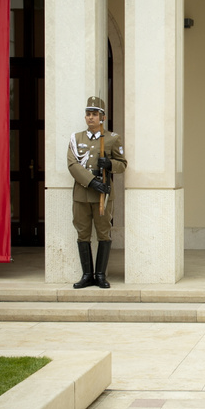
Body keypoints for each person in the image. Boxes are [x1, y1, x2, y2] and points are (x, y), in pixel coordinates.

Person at [67, 96, 127, 289]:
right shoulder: (76, 138)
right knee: (82, 233)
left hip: (103, 194)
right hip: (82, 192)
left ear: (103, 117)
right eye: (88, 114)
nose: (90, 117)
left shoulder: (112, 138)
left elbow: (122, 165)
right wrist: (92, 182)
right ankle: (87, 275)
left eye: (94, 114)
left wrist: (109, 164)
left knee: (103, 233)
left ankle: (100, 275)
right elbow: (72, 164)